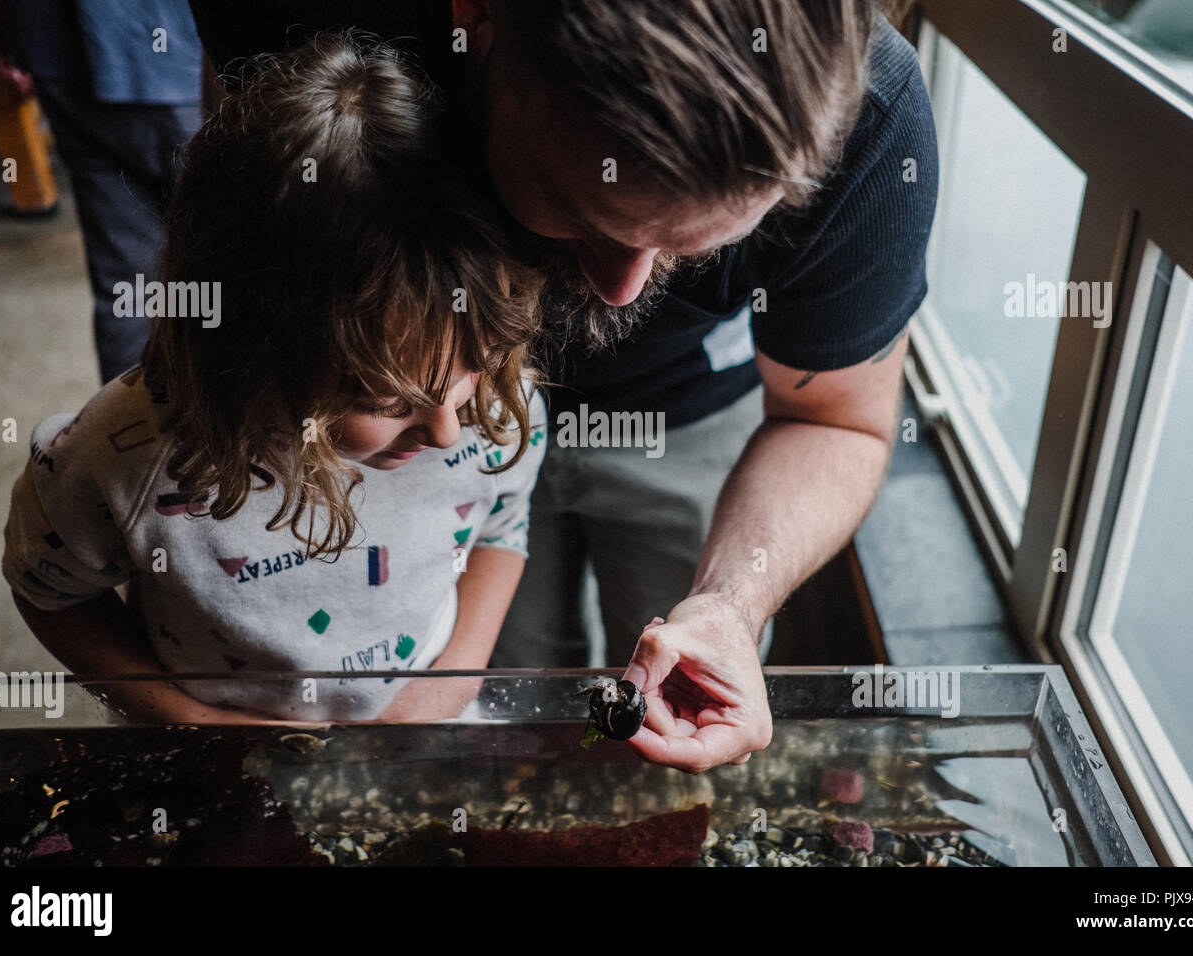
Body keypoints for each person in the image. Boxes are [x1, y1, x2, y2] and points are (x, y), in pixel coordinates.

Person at [190, 0, 938, 772]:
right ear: (479, 18)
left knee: (674, 704)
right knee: (500, 717)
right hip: (414, 418)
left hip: (689, 414)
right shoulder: (323, 23)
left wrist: (730, 605)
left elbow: (835, 421)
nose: (622, 290)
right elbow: (244, 209)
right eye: (587, 216)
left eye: (690, 243)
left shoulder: (870, 114)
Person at [1, 33, 547, 723]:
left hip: (422, 742)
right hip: (213, 769)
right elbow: (49, 588)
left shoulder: (496, 400)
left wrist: (451, 683)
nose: (446, 432)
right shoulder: (124, 453)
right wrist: (192, 723)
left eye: (477, 364)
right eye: (385, 399)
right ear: (257, 350)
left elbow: (504, 523)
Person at [0, 0, 204, 384]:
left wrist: (4, 39)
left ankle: (132, 436)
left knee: (128, 286)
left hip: (58, 49)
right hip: (170, 48)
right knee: (236, 271)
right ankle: (239, 437)